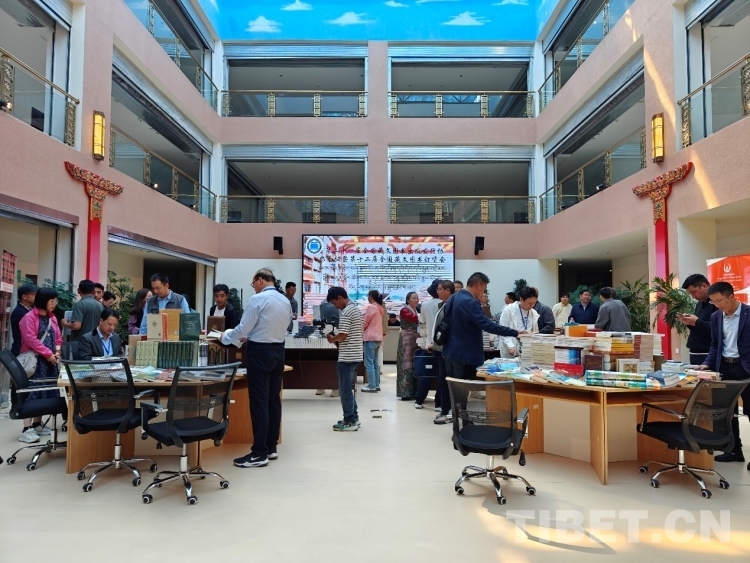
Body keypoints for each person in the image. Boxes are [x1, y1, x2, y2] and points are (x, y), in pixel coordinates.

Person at [223, 269, 292, 468]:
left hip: (260, 352)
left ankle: (259, 453)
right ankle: (271, 447)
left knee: (259, 402)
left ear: (260, 280)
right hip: (278, 351)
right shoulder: (284, 300)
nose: (254, 287)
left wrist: (225, 337)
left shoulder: (258, 299)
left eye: (253, 283)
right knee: (273, 400)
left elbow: (243, 328)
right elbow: (280, 325)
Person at [442, 272, 524, 392]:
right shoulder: (470, 302)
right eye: (484, 289)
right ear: (478, 285)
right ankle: (459, 405)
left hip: (449, 351)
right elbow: (487, 325)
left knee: (452, 391)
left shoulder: (453, 298)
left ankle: (449, 405)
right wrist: (515, 332)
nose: (483, 293)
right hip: (464, 354)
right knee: (461, 393)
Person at [698, 282, 750, 463]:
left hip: (745, 367)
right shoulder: (716, 317)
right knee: (727, 411)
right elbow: (715, 345)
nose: (717, 305)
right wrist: (707, 364)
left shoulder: (748, 313)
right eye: (713, 302)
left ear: (732, 296)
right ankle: (734, 450)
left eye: (720, 300)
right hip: (724, 368)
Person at [17, 288, 62, 444]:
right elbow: (30, 339)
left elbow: (58, 336)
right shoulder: (29, 317)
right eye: (52, 301)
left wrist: (57, 351)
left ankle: (37, 424)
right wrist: (48, 354)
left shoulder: (52, 317)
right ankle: (26, 429)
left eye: (55, 301)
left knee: (44, 391)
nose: (54, 304)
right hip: (36, 361)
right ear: (43, 301)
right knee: (32, 392)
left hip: (50, 361)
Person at [326, 287, 364, 431]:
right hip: (355, 355)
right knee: (347, 389)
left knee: (344, 390)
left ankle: (349, 421)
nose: (335, 306)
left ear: (340, 298)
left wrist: (332, 339)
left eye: (334, 302)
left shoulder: (347, 312)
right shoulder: (355, 309)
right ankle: (354, 417)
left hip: (347, 357)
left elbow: (343, 335)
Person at [429, 280, 456, 423]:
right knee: (441, 380)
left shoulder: (452, 306)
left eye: (440, 289)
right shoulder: (443, 305)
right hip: (438, 348)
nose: (437, 292)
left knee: (445, 381)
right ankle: (445, 410)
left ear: (448, 290)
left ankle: (448, 411)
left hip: (445, 349)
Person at [679, 274, 717, 365]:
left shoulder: (717, 303)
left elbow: (717, 328)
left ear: (704, 286)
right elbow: (699, 327)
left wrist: (696, 322)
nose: (693, 297)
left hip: (708, 352)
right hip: (694, 351)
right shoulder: (700, 303)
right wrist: (688, 322)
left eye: (693, 292)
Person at [415, 280, 442, 408]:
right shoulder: (446, 304)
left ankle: (419, 400)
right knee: (441, 374)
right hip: (442, 344)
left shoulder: (425, 305)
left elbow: (422, 324)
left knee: (426, 373)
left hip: (428, 343)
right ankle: (438, 403)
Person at [498, 286, 541, 357]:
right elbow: (503, 329)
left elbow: (535, 332)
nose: (532, 305)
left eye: (534, 302)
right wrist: (510, 345)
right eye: (529, 302)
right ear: (521, 299)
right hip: (511, 348)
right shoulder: (509, 310)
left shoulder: (533, 313)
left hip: (527, 350)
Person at [316, 294, 342, 397]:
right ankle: (334, 389)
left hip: (323, 336)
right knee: (333, 364)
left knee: (321, 363)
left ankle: (320, 387)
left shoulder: (322, 304)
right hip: (334, 337)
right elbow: (339, 322)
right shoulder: (335, 306)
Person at [396, 291, 420, 400]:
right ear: (408, 300)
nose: (416, 300)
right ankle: (405, 392)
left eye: (417, 298)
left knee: (414, 364)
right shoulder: (404, 310)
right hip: (406, 339)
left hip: (415, 339)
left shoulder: (416, 310)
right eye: (414, 298)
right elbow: (413, 318)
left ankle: (415, 391)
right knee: (406, 364)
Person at [361, 290, 384, 393]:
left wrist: (359, 329)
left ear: (370, 296)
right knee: (375, 363)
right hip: (378, 338)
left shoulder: (372, 307)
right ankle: (376, 384)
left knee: (369, 363)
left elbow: (365, 322)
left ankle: (371, 386)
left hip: (370, 338)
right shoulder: (380, 308)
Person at [10, 284, 38, 356]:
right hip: (21, 351)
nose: (37, 297)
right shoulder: (19, 312)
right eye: (34, 294)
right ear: (24, 296)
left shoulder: (31, 309)